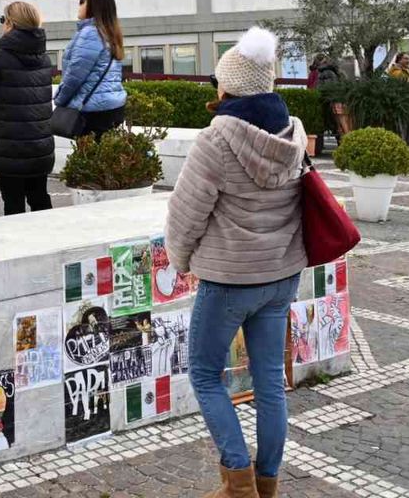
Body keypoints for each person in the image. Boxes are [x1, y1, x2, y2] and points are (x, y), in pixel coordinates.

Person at [164, 26, 308, 498]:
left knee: (205, 374)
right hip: (281, 275)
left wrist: (179, 260)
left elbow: (186, 212)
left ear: (228, 86)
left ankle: (238, 481)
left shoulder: (217, 139)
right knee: (270, 383)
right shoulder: (294, 133)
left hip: (229, 279)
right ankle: (267, 485)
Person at [0, 1, 55, 216]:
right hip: (40, 145)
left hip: (9, 147)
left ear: (10, 23)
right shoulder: (45, 58)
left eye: (4, 20)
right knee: (40, 198)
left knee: (13, 203)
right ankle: (50, 235)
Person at [54, 0, 126, 138]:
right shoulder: (109, 33)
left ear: (94, 6)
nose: (79, 5)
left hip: (93, 111)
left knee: (89, 151)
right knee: (106, 151)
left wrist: (60, 100)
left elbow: (75, 75)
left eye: (82, 1)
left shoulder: (91, 33)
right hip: (114, 106)